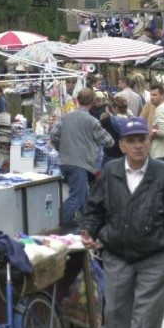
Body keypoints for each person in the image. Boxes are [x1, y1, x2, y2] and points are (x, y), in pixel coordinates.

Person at [81, 117, 164, 328]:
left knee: (146, 313)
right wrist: (89, 231)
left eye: (143, 140)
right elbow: (94, 209)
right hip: (117, 252)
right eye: (132, 141)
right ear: (122, 145)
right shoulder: (110, 171)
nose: (139, 145)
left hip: (155, 254)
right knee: (115, 311)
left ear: (150, 142)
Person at [51, 88, 114, 228]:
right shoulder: (92, 122)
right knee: (77, 197)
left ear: (77, 100)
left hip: (64, 162)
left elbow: (53, 136)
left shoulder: (66, 117)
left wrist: (60, 148)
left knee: (85, 197)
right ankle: (57, 225)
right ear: (93, 102)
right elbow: (109, 141)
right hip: (80, 163)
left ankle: (88, 227)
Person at [100, 96, 129, 166]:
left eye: (112, 108)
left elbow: (98, 128)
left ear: (116, 108)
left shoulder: (108, 121)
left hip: (110, 155)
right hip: (125, 155)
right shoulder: (130, 122)